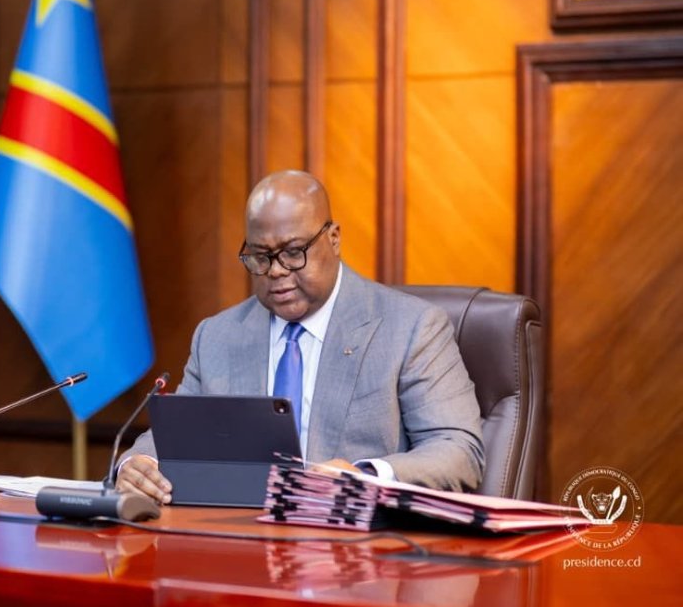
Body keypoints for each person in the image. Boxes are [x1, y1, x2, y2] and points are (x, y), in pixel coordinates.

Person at [116, 170, 484, 503]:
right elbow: (177, 436)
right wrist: (138, 464)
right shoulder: (217, 336)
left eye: (293, 253)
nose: (276, 271)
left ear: (334, 239)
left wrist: (364, 477)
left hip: (355, 542)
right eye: (260, 257)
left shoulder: (410, 327)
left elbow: (458, 451)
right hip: (240, 538)